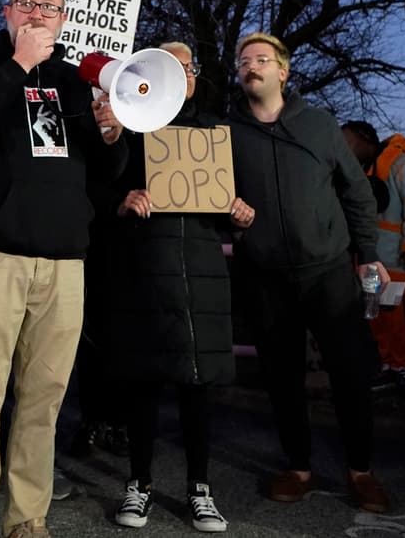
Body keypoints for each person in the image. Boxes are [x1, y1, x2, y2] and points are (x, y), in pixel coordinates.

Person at [0, 0, 127, 538]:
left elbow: (103, 177)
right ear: (7, 12)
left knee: (42, 402)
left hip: (65, 264)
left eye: (50, 6)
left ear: (64, 18)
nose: (39, 13)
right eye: (27, 3)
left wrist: (111, 136)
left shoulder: (75, 82)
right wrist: (17, 66)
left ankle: (28, 519)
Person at [227, 32, 390, 513]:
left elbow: (357, 192)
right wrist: (229, 216)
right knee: (281, 375)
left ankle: (360, 470)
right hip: (265, 274)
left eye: (261, 59)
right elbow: (211, 199)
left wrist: (368, 251)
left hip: (327, 270)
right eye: (243, 60)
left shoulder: (319, 125)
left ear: (283, 71)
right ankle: (298, 467)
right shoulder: (226, 133)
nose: (250, 66)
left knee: (350, 372)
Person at [102, 42, 252, 532]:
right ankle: (139, 483)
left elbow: (232, 202)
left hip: (203, 276)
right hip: (147, 270)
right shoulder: (128, 129)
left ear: (194, 76)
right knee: (144, 383)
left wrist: (239, 215)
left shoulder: (215, 132)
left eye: (188, 66)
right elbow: (103, 201)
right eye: (169, 65)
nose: (181, 73)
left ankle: (199, 489)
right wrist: (124, 203)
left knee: (197, 385)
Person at [341, 121, 405, 398]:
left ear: (365, 139)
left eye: (347, 142)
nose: (343, 149)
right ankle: (389, 365)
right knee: (375, 316)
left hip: (397, 261)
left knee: (397, 318)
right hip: (371, 261)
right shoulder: (364, 172)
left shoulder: (404, 165)